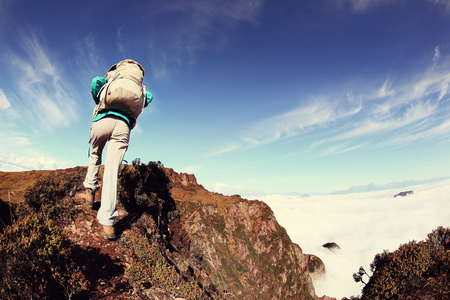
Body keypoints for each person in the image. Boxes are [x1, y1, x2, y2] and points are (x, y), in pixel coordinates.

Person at [83, 59, 152, 240]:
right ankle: (108, 224)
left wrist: (103, 94)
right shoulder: (139, 86)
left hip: (102, 121)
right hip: (123, 126)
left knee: (95, 154)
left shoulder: (111, 77)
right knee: (112, 169)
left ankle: (90, 191)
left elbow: (95, 83)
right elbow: (149, 98)